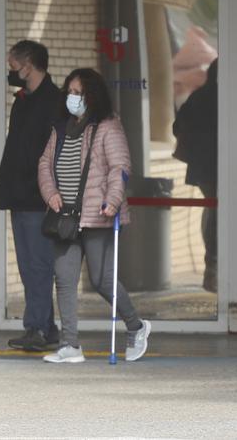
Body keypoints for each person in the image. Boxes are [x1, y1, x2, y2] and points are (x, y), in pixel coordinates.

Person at [37, 68, 151, 363]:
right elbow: (44, 165)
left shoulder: (107, 126)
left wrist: (113, 200)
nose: (73, 98)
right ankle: (70, 345)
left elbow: (120, 166)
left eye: (79, 93)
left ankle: (136, 327)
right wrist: (51, 195)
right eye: (70, 93)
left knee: (102, 281)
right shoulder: (60, 127)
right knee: (64, 279)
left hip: (98, 214)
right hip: (65, 215)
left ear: (93, 96)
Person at [0, 40, 64, 352]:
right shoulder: (22, 101)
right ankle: (46, 328)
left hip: (38, 197)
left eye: (14, 66)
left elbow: (51, 155)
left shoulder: (53, 103)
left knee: (38, 265)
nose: (11, 72)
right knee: (28, 265)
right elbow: (16, 148)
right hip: (19, 194)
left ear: (29, 65)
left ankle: (36, 327)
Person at [173, 58, 218, 292]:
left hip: (203, 168)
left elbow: (176, 126)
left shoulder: (199, 97)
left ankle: (212, 265)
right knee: (216, 211)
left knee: (212, 208)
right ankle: (214, 265)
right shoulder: (228, 97)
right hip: (214, 166)